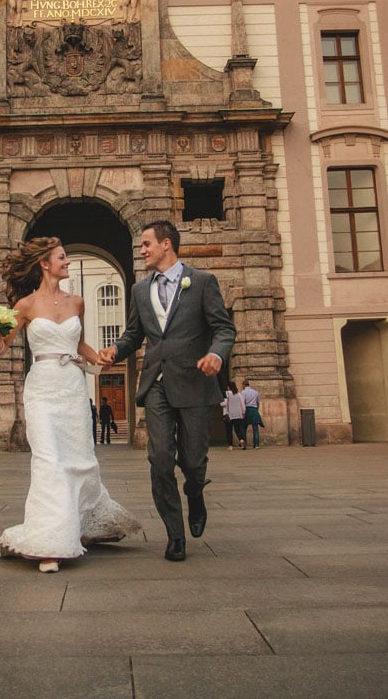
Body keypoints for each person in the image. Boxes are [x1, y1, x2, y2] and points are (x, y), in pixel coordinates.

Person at [0, 237, 142, 573]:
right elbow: (3, 347)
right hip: (42, 387)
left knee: (79, 458)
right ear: (45, 263)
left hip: (72, 386)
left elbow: (80, 343)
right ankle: (49, 541)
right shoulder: (25, 305)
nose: (67, 261)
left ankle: (81, 524)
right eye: (62, 257)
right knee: (49, 460)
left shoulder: (78, 302)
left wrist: (101, 357)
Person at [100, 220, 236, 562]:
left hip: (194, 381)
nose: (142, 250)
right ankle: (175, 535)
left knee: (193, 462)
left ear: (166, 245)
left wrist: (216, 355)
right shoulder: (139, 291)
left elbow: (223, 328)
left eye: (146, 244)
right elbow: (134, 334)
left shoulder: (203, 282)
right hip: (157, 383)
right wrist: (116, 350)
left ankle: (195, 492)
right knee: (159, 460)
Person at [222, 381, 247, 450]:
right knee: (238, 429)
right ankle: (241, 440)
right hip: (238, 414)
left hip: (229, 415)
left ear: (228, 387)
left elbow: (223, 404)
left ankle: (230, 446)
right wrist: (243, 413)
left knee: (229, 431)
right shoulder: (239, 394)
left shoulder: (226, 393)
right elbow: (243, 405)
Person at [241, 378, 263, 449]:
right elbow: (258, 403)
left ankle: (244, 444)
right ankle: (256, 445)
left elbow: (242, 403)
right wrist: (256, 409)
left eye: (242, 385)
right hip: (254, 410)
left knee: (244, 428)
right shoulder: (255, 392)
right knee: (255, 429)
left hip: (247, 410)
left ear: (244, 385)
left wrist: (242, 412)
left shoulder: (243, 392)